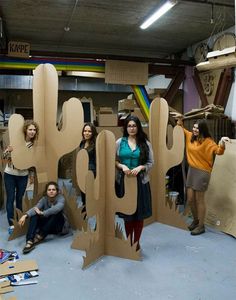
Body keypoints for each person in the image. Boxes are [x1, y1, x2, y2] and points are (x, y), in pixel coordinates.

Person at [177, 117, 230, 235]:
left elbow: (219, 151)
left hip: (202, 173)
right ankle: (196, 221)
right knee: (190, 199)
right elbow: (180, 129)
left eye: (198, 128)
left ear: (203, 130)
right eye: (194, 127)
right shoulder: (190, 137)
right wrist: (180, 119)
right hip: (192, 170)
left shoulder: (208, 142)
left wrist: (221, 142)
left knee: (199, 200)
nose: (195, 130)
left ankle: (201, 226)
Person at [115, 115, 154, 251]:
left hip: (140, 182)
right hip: (124, 181)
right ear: (126, 127)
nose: (132, 128)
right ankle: (129, 241)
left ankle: (136, 243)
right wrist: (122, 166)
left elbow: (150, 163)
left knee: (139, 214)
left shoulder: (145, 143)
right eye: (129, 126)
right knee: (128, 215)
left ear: (138, 127)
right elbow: (113, 160)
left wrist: (141, 167)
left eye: (134, 126)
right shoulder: (120, 142)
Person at [3, 120, 39, 234]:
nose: (32, 132)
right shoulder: (17, 142)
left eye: (34, 130)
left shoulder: (34, 146)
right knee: (10, 199)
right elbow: (4, 156)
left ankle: (19, 221)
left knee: (19, 198)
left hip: (23, 175)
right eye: (30, 129)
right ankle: (11, 225)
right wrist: (8, 151)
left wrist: (32, 175)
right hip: (10, 174)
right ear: (25, 130)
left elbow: (33, 163)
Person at [18, 181, 69, 254]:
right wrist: (25, 215)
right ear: (46, 191)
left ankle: (39, 236)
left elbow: (56, 209)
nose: (51, 191)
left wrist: (42, 213)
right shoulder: (44, 199)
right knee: (35, 214)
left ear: (57, 191)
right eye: (49, 190)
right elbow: (35, 208)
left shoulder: (61, 198)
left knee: (57, 213)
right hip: (47, 226)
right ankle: (29, 240)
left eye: (53, 190)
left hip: (58, 227)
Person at [79, 123, 98, 214]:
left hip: (91, 170)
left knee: (90, 191)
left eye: (89, 131)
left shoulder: (96, 144)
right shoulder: (82, 143)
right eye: (85, 131)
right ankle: (85, 206)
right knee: (82, 190)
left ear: (93, 133)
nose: (86, 133)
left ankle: (90, 208)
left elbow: (97, 160)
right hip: (81, 169)